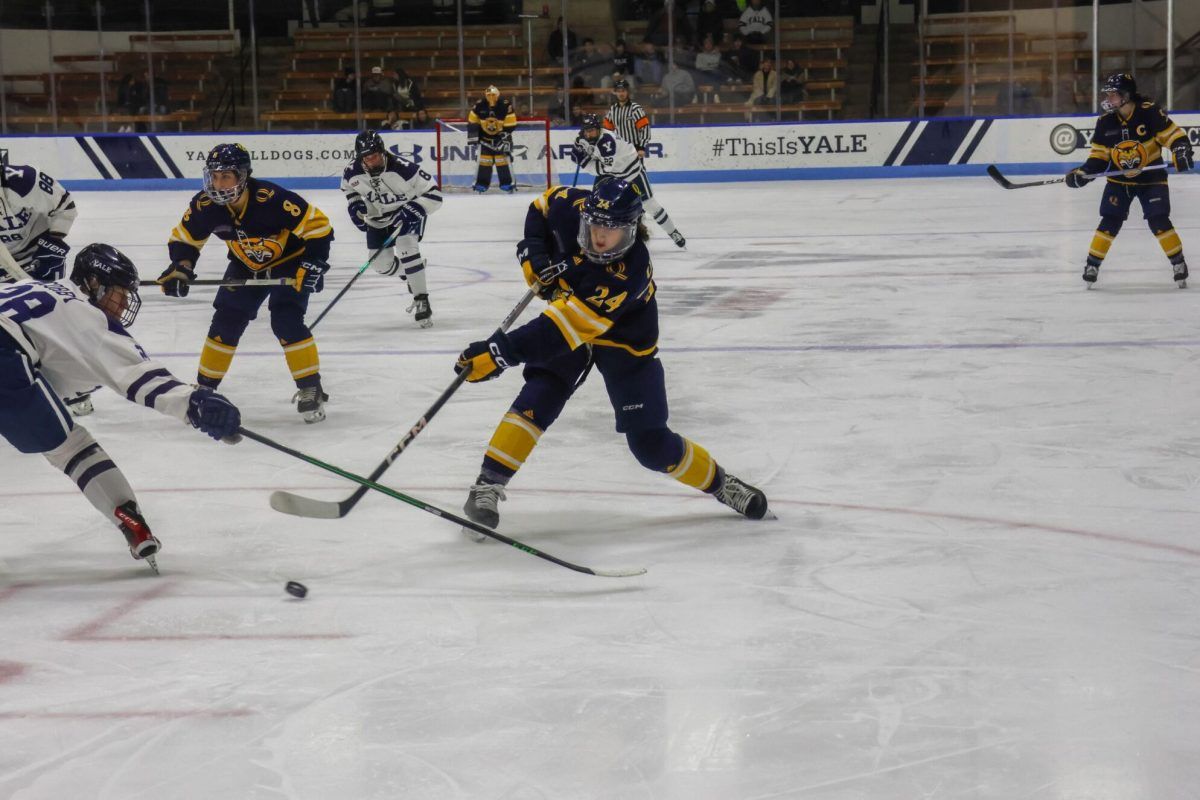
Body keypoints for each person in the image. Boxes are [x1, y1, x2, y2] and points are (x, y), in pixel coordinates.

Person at [453, 179, 769, 535]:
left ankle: (721, 483)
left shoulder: (628, 273)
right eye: (594, 227)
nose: (599, 238)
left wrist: (499, 353)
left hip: (625, 339)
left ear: (632, 230)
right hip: (574, 314)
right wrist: (536, 257)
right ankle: (487, 485)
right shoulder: (570, 206)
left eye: (611, 231)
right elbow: (541, 208)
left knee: (650, 444)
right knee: (541, 392)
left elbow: (562, 329)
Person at [0, 243, 241, 572]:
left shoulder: (30, 286)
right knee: (70, 446)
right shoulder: (88, 317)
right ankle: (130, 519)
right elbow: (139, 378)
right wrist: (195, 403)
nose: (125, 302)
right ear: (94, 283)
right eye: (119, 292)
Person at [159, 143, 335, 423]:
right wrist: (182, 267)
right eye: (214, 176)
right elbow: (185, 238)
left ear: (243, 176)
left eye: (225, 176)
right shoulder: (206, 205)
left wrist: (312, 262)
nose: (218, 184)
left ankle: (310, 387)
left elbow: (319, 227)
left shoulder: (272, 198)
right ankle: (205, 390)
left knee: (286, 320)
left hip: (289, 261)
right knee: (226, 320)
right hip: (245, 264)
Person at [1065, 73, 1193, 288]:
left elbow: (1173, 136)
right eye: (1108, 95)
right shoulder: (1105, 122)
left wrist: (1181, 150)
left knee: (1159, 221)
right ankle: (1092, 264)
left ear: (1126, 95)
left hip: (1151, 179)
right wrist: (1083, 173)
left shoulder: (1149, 112)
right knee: (1109, 221)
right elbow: (1099, 156)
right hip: (1119, 182)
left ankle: (1178, 263)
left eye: (1113, 95)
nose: (1108, 99)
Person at [341, 130, 443, 328]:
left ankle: (421, 299)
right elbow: (349, 190)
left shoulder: (404, 168)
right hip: (377, 218)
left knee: (407, 247)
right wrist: (355, 206)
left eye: (374, 155)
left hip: (406, 214)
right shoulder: (351, 171)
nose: (371, 160)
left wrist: (415, 208)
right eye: (366, 157)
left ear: (382, 151)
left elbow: (435, 194)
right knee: (380, 265)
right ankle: (411, 271)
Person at [573, 114, 686, 248]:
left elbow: (601, 168)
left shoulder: (607, 142)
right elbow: (595, 161)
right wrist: (578, 151)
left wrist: (584, 162)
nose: (589, 134)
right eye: (586, 131)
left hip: (632, 172)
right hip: (610, 174)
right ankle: (596, 237)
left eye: (591, 130)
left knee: (650, 205)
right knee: (598, 203)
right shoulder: (583, 138)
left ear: (598, 129)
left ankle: (673, 232)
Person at [467, 85, 518, 193]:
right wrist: (474, 137)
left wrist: (505, 138)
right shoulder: (479, 105)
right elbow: (472, 121)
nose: (491, 97)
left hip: (500, 140)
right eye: (488, 95)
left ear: (498, 95)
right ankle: (481, 184)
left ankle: (507, 183)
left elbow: (511, 123)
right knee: (484, 163)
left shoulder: (505, 105)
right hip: (485, 140)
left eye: (493, 95)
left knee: (503, 162)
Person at [604, 79, 651, 160]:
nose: (621, 93)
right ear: (615, 92)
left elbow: (645, 129)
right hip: (619, 149)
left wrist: (641, 147)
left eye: (623, 91)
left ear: (628, 92)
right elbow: (607, 130)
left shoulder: (635, 108)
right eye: (618, 91)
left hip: (634, 149)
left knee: (636, 172)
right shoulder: (613, 109)